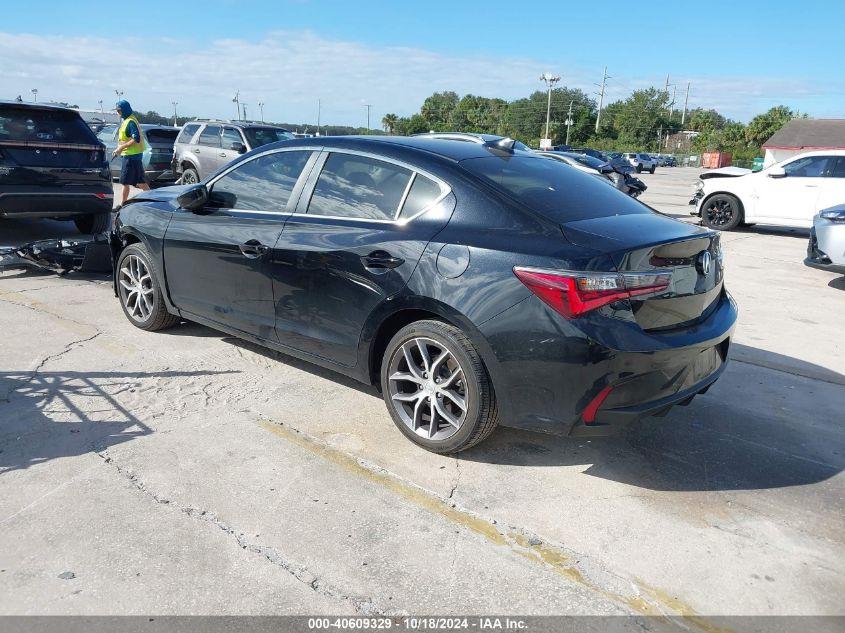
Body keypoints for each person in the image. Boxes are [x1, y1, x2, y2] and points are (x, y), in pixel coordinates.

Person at [112, 99, 150, 205]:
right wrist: (120, 149)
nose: (117, 113)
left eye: (119, 111)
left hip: (131, 157)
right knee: (140, 182)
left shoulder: (130, 122)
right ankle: (152, 199)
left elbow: (135, 139)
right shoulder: (128, 120)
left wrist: (120, 148)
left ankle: (122, 205)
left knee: (125, 182)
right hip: (132, 156)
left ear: (124, 110)